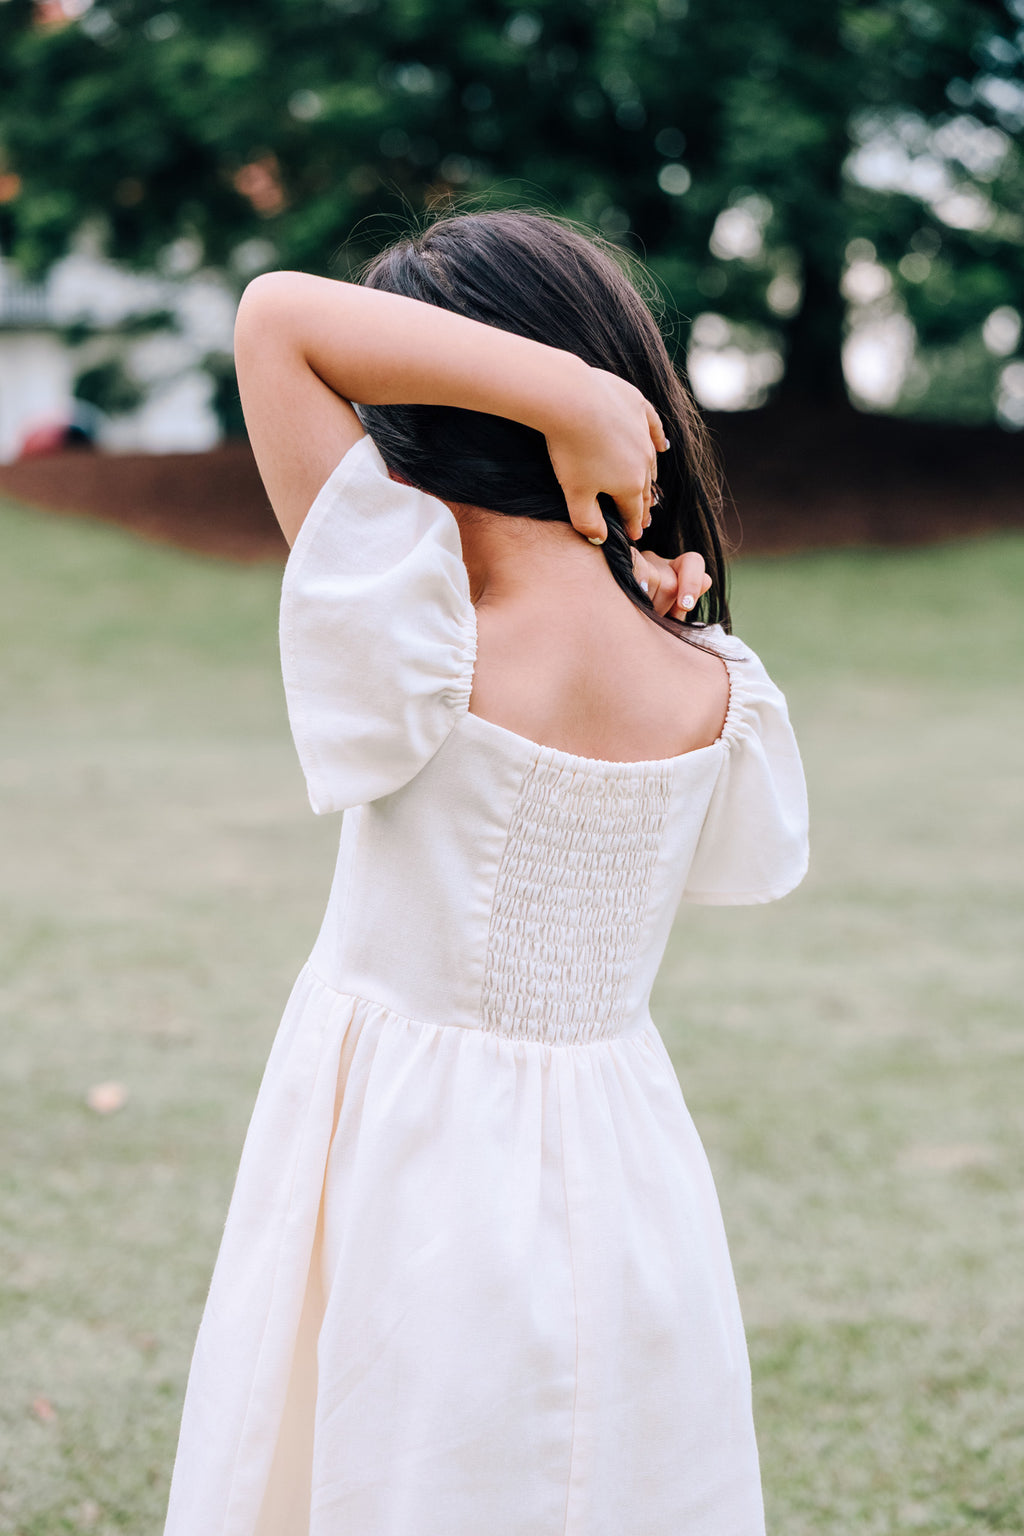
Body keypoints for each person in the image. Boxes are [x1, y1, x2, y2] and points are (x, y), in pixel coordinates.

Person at [163, 209, 808, 1536]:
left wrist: (571, 401)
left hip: (400, 1155)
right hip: (630, 1167)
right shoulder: (715, 682)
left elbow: (276, 316)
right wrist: (597, 414)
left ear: (410, 438)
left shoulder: (411, 624)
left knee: (386, 1468)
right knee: (607, 1473)